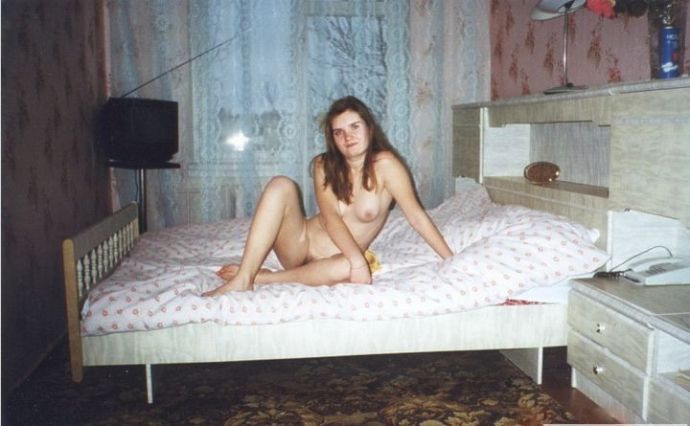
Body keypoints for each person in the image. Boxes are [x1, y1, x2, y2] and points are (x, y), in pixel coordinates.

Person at [203, 96, 453, 296]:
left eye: (354, 126)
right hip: (298, 245)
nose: (347, 137)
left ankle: (263, 278)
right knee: (280, 184)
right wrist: (358, 262)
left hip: (335, 261)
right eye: (338, 132)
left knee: (348, 265)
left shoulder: (388, 166)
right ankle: (244, 277)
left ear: (369, 128)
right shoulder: (323, 164)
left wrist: (450, 260)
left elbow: (417, 217)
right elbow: (331, 217)